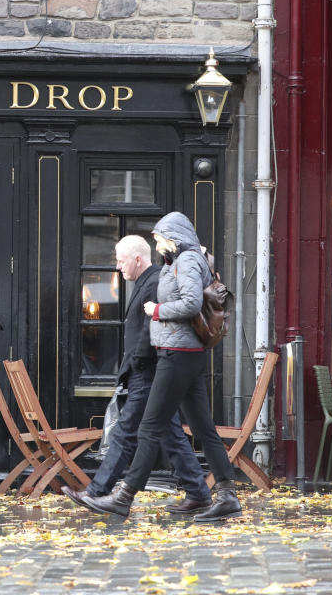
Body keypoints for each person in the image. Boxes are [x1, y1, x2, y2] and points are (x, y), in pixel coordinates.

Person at [82, 212, 242, 522]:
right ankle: (225, 496)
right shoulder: (181, 261)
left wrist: (157, 310)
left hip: (178, 353)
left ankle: (123, 497)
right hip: (182, 352)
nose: (157, 246)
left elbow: (192, 303)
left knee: (149, 427)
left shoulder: (189, 261)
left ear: (174, 235)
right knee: (202, 428)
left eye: (160, 239)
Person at [62, 235, 212, 514]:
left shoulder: (154, 283)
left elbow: (149, 330)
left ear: (138, 259)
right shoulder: (148, 282)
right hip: (151, 371)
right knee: (170, 435)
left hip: (148, 371)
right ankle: (199, 493)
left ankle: (98, 491)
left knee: (125, 431)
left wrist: (137, 363)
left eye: (121, 261)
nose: (118, 267)